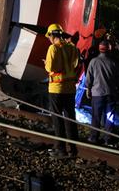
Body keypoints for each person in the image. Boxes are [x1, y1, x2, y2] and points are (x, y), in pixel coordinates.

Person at [44, 23, 80, 158]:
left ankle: (60, 148)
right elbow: (75, 64)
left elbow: (50, 68)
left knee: (57, 118)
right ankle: (73, 149)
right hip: (70, 89)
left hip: (56, 89)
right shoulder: (72, 48)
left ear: (53, 35)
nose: (49, 39)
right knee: (70, 118)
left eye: (49, 36)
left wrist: (46, 63)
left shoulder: (53, 48)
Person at [86, 40, 119, 145]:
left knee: (96, 116)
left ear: (99, 49)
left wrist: (88, 89)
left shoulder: (93, 61)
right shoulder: (113, 63)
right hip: (110, 93)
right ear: (109, 49)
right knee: (109, 116)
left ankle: (94, 137)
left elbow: (89, 78)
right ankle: (108, 138)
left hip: (97, 94)